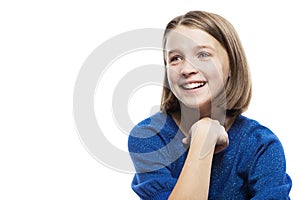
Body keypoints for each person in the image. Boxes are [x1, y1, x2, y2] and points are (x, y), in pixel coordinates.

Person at [128, 10, 292, 199]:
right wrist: (204, 137)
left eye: (203, 54)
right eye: (175, 58)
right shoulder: (150, 137)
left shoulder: (260, 145)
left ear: (231, 65)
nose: (187, 69)